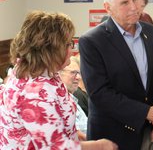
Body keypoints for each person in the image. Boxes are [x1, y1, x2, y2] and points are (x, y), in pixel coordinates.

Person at [79, 0, 153, 150]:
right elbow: (100, 93)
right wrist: (147, 113)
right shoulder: (92, 41)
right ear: (107, 8)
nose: (133, 7)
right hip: (112, 138)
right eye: (124, 2)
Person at [0, 10, 118, 150]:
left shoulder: (42, 72)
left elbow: (51, 122)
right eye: (69, 44)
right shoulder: (34, 92)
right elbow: (54, 147)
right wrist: (100, 146)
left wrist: (75, 134)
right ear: (51, 49)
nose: (72, 50)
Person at [60, 56, 88, 140]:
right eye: (73, 73)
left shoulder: (72, 99)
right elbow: (77, 136)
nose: (78, 77)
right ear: (59, 73)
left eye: (79, 73)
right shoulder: (60, 101)